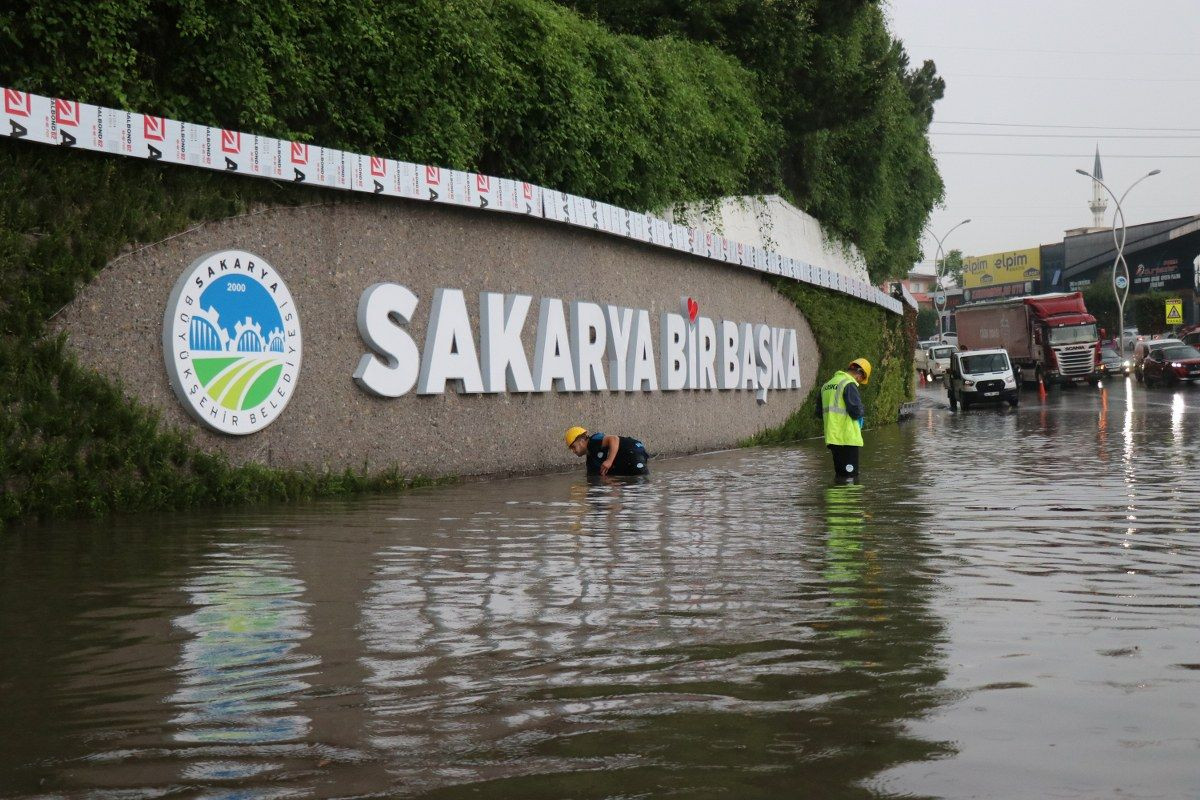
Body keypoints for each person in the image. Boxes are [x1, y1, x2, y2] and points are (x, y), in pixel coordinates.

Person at [815, 358, 871, 482]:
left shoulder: (826, 385)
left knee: (840, 475)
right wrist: (862, 410)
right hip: (847, 438)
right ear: (859, 373)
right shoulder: (848, 384)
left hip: (832, 438)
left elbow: (819, 413)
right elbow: (856, 411)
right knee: (850, 478)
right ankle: (848, 501)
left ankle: (836, 500)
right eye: (862, 379)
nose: (859, 382)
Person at [565, 426, 650, 476]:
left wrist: (609, 461)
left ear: (582, 439)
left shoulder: (594, 440)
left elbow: (614, 439)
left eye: (573, 446)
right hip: (625, 461)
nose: (573, 451)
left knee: (641, 478)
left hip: (632, 450)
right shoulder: (591, 461)